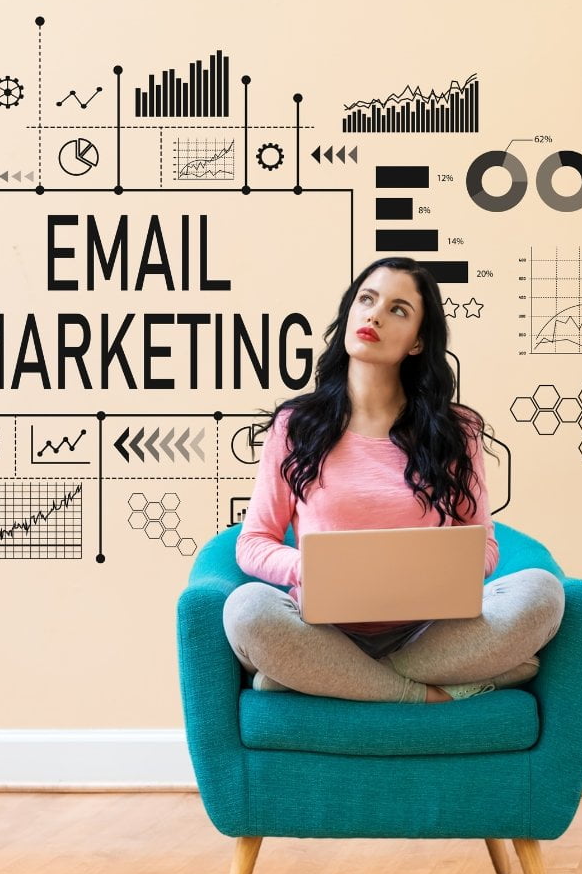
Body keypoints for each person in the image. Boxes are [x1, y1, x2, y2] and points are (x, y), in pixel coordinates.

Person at [223, 257, 564, 703]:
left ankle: (326, 681)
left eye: (398, 309)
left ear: (418, 342)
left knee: (542, 592)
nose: (375, 314)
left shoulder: (456, 431)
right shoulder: (295, 425)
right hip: (320, 630)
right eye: (367, 299)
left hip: (429, 633)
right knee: (247, 610)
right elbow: (253, 542)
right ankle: (422, 693)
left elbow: (483, 544)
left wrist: (436, 573)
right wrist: (310, 569)